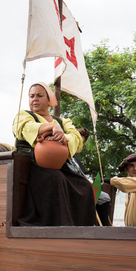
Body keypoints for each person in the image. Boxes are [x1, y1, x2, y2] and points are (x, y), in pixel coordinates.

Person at [12, 82, 97, 226]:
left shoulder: (63, 121)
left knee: (84, 186)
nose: (35, 99)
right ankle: (58, 225)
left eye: (39, 95)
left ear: (48, 100)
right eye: (31, 96)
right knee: (55, 179)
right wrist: (52, 127)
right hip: (32, 166)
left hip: (59, 166)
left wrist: (63, 137)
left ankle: (82, 228)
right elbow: (25, 128)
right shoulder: (24, 115)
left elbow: (76, 138)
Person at [65, 128, 111, 226]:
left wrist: (88, 182)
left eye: (82, 142)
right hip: (73, 190)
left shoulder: (76, 160)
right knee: (104, 197)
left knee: (104, 197)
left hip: (83, 188)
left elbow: (81, 176)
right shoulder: (64, 157)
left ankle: (101, 226)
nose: (80, 145)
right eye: (77, 141)